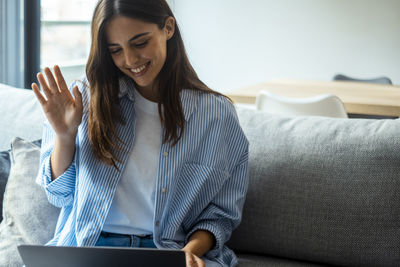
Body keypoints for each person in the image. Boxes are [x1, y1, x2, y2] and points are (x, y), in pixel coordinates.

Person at [32, 0, 249, 266]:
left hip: (168, 252)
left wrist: (189, 252)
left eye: (140, 43)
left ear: (168, 28)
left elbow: (221, 216)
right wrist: (64, 135)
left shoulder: (216, 116)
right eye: (115, 50)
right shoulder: (85, 101)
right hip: (91, 247)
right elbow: (58, 196)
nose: (130, 60)